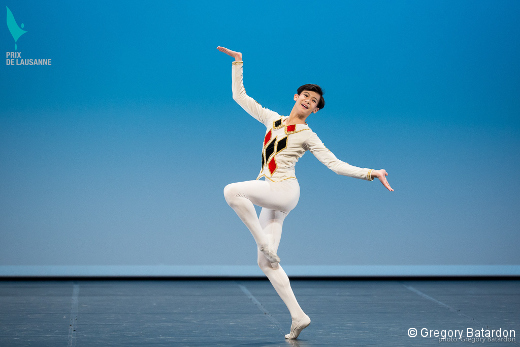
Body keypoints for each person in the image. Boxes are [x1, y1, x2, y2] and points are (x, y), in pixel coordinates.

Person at [217, 46, 393, 340]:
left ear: (316, 110)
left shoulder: (308, 135)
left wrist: (370, 173)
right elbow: (240, 97)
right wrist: (238, 63)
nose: (308, 102)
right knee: (267, 263)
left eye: (314, 102)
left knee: (232, 191)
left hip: (284, 191)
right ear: (296, 97)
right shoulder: (271, 119)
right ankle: (298, 316)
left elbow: (335, 165)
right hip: (272, 194)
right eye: (305, 97)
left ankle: (262, 243)